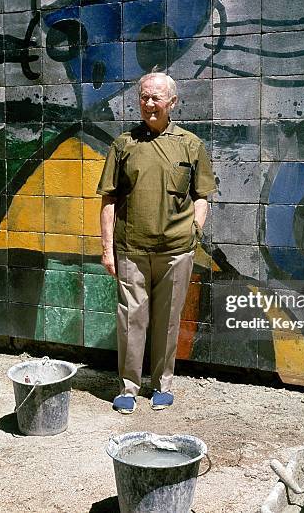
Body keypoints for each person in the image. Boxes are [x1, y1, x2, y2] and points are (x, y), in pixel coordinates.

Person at [97, 72, 216, 413]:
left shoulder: (191, 145)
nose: (149, 103)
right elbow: (108, 200)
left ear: (172, 103)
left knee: (168, 321)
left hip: (177, 251)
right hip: (131, 250)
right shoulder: (123, 145)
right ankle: (128, 387)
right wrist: (107, 250)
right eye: (144, 97)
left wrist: (194, 232)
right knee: (131, 319)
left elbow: (202, 195)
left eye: (156, 98)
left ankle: (162, 384)